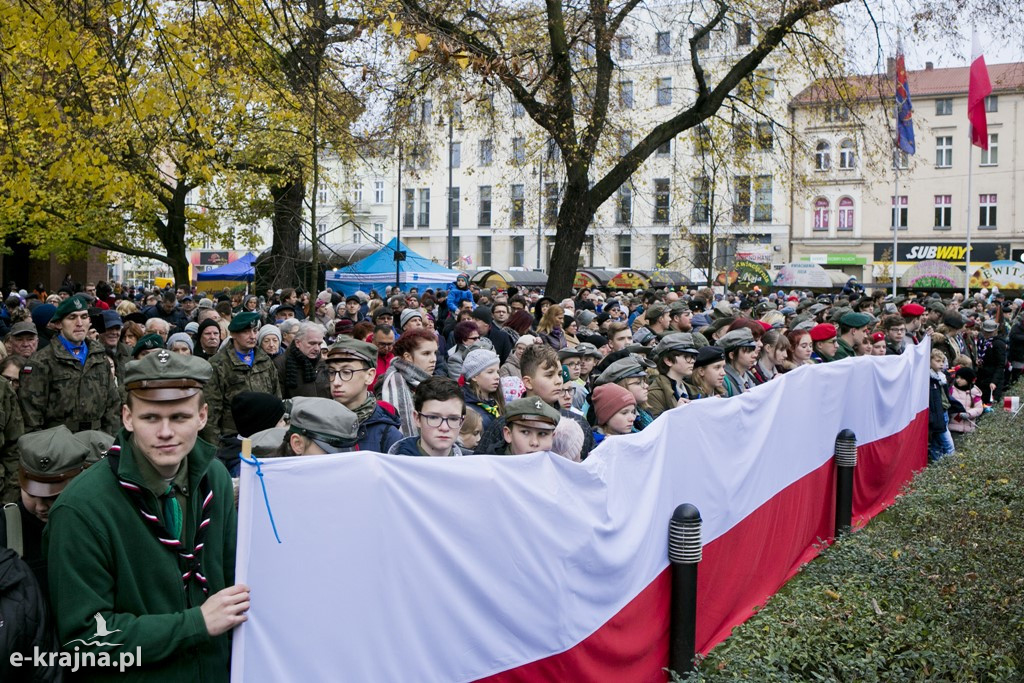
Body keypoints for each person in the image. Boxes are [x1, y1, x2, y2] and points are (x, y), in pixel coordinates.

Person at [45, 351, 246, 679]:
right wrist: (195, 623)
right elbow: (84, 640)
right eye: (150, 417)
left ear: (202, 416)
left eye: (180, 417)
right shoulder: (82, 509)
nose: (165, 432)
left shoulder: (216, 480)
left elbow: (232, 579)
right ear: (127, 417)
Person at [1, 426, 110, 594]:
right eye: (31, 495)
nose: (41, 507)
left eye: (52, 497)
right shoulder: (6, 527)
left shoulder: (92, 525)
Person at [19, 294, 121, 435]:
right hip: (58, 444)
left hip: (98, 442)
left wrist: (109, 442)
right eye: (72, 317)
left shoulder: (99, 356)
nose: (79, 323)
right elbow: (31, 417)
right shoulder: (41, 362)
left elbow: (113, 405)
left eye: (84, 317)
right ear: (59, 323)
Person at [203, 311, 281, 443]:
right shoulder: (218, 364)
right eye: (246, 332)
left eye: (255, 331)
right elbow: (212, 410)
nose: (252, 336)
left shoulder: (264, 359)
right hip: (232, 437)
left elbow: (276, 396)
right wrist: (215, 448)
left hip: (265, 436)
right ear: (233, 334)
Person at [324, 338, 404, 453]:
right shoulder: (317, 423)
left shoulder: (388, 435)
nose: (336, 382)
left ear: (369, 376)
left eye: (346, 372)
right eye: (332, 372)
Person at [379, 329, 438, 436]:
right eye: (426, 353)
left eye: (435, 353)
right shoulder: (390, 383)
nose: (433, 359)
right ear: (408, 357)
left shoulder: (433, 383)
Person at [388, 377, 467, 457]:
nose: (444, 427)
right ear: (417, 419)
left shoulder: (472, 466)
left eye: (453, 419)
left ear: (462, 422)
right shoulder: (393, 467)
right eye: (433, 417)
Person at [593, 356, 654, 432]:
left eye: (644, 381)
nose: (646, 386)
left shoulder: (644, 412)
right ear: (620, 387)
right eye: (638, 383)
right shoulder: (613, 424)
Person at [647, 333, 698, 417]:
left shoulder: (693, 389)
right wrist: (677, 413)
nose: (692, 361)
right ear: (668, 360)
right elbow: (659, 427)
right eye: (687, 356)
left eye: (693, 357)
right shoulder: (654, 394)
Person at [275, 321, 329, 399]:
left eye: (319, 344)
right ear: (297, 343)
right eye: (312, 343)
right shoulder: (280, 365)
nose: (317, 348)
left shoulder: (324, 364)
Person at [461, 348, 504, 432]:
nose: (497, 377)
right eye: (490, 372)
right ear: (474, 376)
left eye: (498, 372)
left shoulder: (495, 402)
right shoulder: (467, 408)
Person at [927, 349, 955, 461]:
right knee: (949, 445)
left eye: (942, 361)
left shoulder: (941, 377)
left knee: (936, 443)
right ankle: (952, 465)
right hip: (937, 415)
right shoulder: (929, 379)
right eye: (938, 361)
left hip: (944, 412)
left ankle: (936, 464)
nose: (941, 364)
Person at [719, 328, 758, 396]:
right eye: (748, 351)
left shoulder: (750, 375)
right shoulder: (723, 380)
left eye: (753, 350)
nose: (754, 355)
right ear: (732, 355)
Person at [976, 318, 1007, 405]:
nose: (987, 334)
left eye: (990, 332)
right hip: (982, 377)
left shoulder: (999, 343)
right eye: (986, 331)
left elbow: (1000, 365)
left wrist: (994, 381)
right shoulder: (981, 340)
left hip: (993, 378)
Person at [948, 366, 984, 435]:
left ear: (968, 380)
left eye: (961, 378)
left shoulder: (975, 392)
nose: (958, 380)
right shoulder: (952, 390)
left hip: (968, 429)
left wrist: (969, 414)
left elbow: (979, 408)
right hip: (952, 428)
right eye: (957, 377)